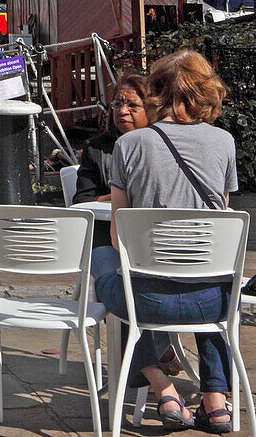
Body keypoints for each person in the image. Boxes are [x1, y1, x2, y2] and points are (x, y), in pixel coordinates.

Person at [91, 50, 238, 433]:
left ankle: (163, 387)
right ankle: (216, 402)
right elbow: (218, 225)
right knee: (211, 274)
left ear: (156, 90)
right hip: (214, 301)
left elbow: (118, 233)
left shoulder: (130, 146)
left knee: (105, 263)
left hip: (148, 300)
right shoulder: (224, 143)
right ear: (206, 91)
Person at [74, 72, 153, 246]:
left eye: (132, 105)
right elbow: (82, 201)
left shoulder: (160, 147)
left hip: (154, 234)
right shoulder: (96, 148)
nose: (122, 111)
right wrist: (120, 196)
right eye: (117, 104)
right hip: (107, 235)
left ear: (151, 110)